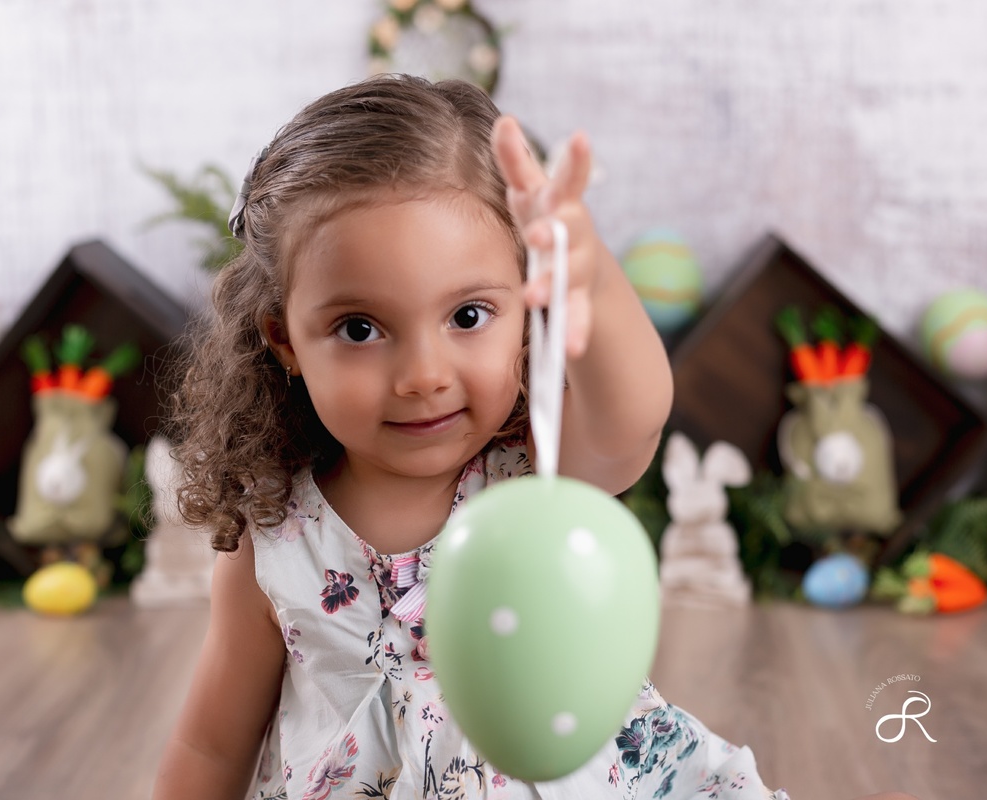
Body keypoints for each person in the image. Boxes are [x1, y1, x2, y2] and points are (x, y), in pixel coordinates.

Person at [154, 74, 914, 800]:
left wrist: (591, 279)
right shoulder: (277, 539)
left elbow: (634, 415)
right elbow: (212, 744)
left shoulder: (536, 473)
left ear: (528, 307)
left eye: (468, 316)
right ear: (285, 340)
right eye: (360, 328)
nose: (423, 374)